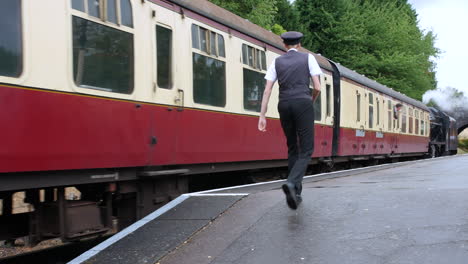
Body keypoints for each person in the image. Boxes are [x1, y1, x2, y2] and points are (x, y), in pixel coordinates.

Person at [258, 31, 322, 210]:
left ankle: (296, 193)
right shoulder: (308, 58)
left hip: (284, 104)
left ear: (284, 45)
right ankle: (292, 183)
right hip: (303, 103)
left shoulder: (277, 62)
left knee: (293, 146)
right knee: (307, 149)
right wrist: (311, 101)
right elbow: (317, 87)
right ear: (299, 44)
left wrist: (262, 116)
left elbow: (267, 90)